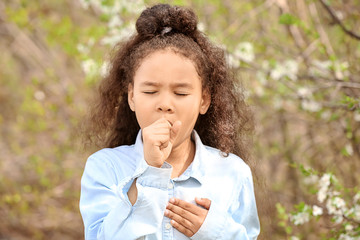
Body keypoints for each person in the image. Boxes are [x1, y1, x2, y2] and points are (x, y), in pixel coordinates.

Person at [80, 3, 260, 240]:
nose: (165, 104)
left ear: (204, 100)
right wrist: (150, 172)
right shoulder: (106, 167)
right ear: (131, 97)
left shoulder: (233, 172)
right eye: (150, 91)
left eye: (181, 93)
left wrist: (214, 231)